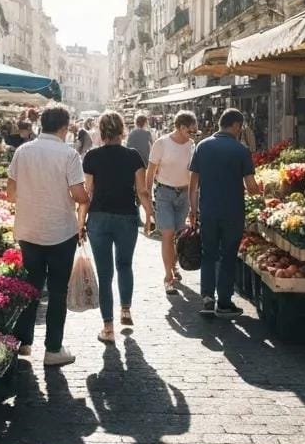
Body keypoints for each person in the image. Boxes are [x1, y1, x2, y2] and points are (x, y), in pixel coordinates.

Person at [7, 106, 88, 367]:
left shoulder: (23, 151)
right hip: (60, 231)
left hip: (29, 229)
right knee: (57, 291)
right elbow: (79, 195)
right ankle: (53, 349)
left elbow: (10, 193)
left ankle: (23, 342)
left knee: (30, 288)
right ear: (64, 128)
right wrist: (86, 198)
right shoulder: (69, 154)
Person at [78, 112, 153, 343]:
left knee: (105, 273)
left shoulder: (91, 156)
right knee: (125, 265)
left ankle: (108, 328)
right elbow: (142, 191)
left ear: (101, 132)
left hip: (98, 217)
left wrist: (80, 223)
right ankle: (126, 310)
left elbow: (87, 193)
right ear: (122, 131)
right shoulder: (133, 156)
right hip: (127, 217)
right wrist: (150, 215)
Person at [188, 108, 263, 319]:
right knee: (228, 256)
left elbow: (193, 184)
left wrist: (193, 210)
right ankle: (224, 302)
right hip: (233, 212)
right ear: (236, 125)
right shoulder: (241, 150)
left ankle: (207, 298)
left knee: (208, 254)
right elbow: (251, 185)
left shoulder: (202, 146)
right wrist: (262, 194)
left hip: (208, 211)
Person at [145, 110, 199, 295]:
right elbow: (150, 171)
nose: (193, 134)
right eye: (191, 131)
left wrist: (194, 203)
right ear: (181, 127)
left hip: (184, 193)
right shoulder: (162, 143)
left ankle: (173, 266)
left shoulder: (191, 145)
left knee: (179, 234)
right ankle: (168, 277)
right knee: (167, 234)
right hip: (164, 193)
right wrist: (148, 197)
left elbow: (193, 175)